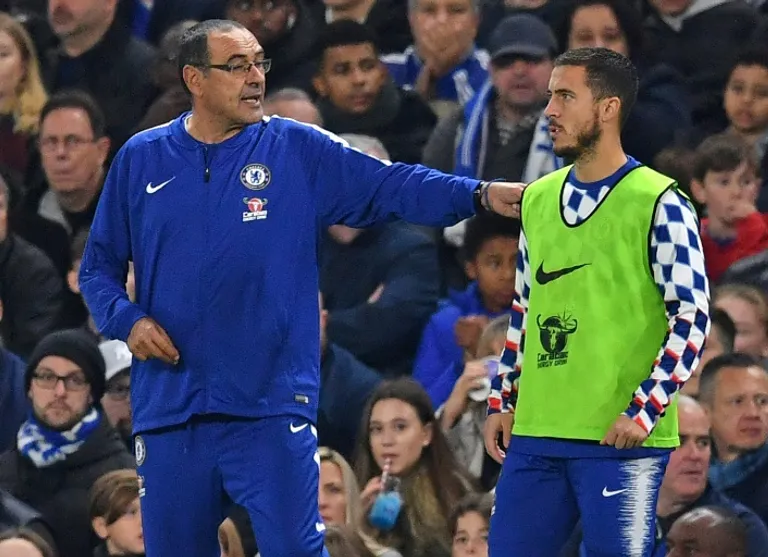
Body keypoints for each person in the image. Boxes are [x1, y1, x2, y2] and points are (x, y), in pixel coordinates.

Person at [78, 18, 523, 557]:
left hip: (269, 405)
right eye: (236, 66)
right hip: (171, 408)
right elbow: (97, 269)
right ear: (194, 78)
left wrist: (477, 195)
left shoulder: (294, 148)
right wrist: (128, 321)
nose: (254, 77)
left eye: (258, 63)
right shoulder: (140, 158)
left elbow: (391, 184)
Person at [483, 46, 710, 557]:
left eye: (566, 96)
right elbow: (524, 310)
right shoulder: (537, 198)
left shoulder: (660, 200)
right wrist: (502, 399)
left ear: (608, 108)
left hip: (620, 437)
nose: (550, 110)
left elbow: (691, 317)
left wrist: (644, 410)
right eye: (550, 96)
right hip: (538, 429)